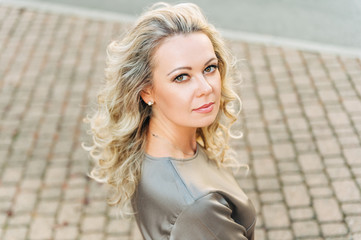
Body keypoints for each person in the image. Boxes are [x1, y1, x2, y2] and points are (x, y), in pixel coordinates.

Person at [84, 2, 256, 239]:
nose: (206, 88)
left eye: (209, 68)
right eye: (182, 77)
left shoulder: (150, 143)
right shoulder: (199, 207)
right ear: (147, 91)